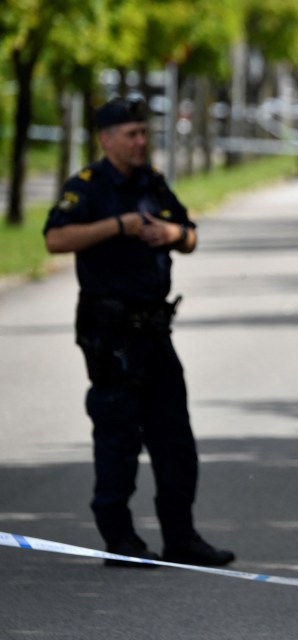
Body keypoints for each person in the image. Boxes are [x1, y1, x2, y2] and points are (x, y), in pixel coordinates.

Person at [43, 97, 235, 568]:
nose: (140, 141)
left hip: (153, 330)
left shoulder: (153, 183)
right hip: (109, 334)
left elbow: (189, 234)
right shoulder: (87, 187)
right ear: (106, 139)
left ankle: (180, 537)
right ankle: (121, 539)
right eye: (130, 134)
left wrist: (173, 236)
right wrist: (117, 226)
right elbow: (54, 239)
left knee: (175, 440)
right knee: (118, 437)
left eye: (143, 133)